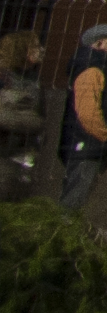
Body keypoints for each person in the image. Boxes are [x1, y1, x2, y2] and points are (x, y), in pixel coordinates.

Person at [57, 24, 107, 214]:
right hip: (88, 147)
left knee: (81, 197)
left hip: (97, 147)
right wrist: (106, 136)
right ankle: (62, 235)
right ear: (100, 43)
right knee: (74, 200)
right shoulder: (91, 70)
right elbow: (87, 112)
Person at [0, 29, 44, 203]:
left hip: (21, 151)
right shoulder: (4, 78)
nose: (41, 49)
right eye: (34, 46)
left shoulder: (32, 80)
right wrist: (32, 122)